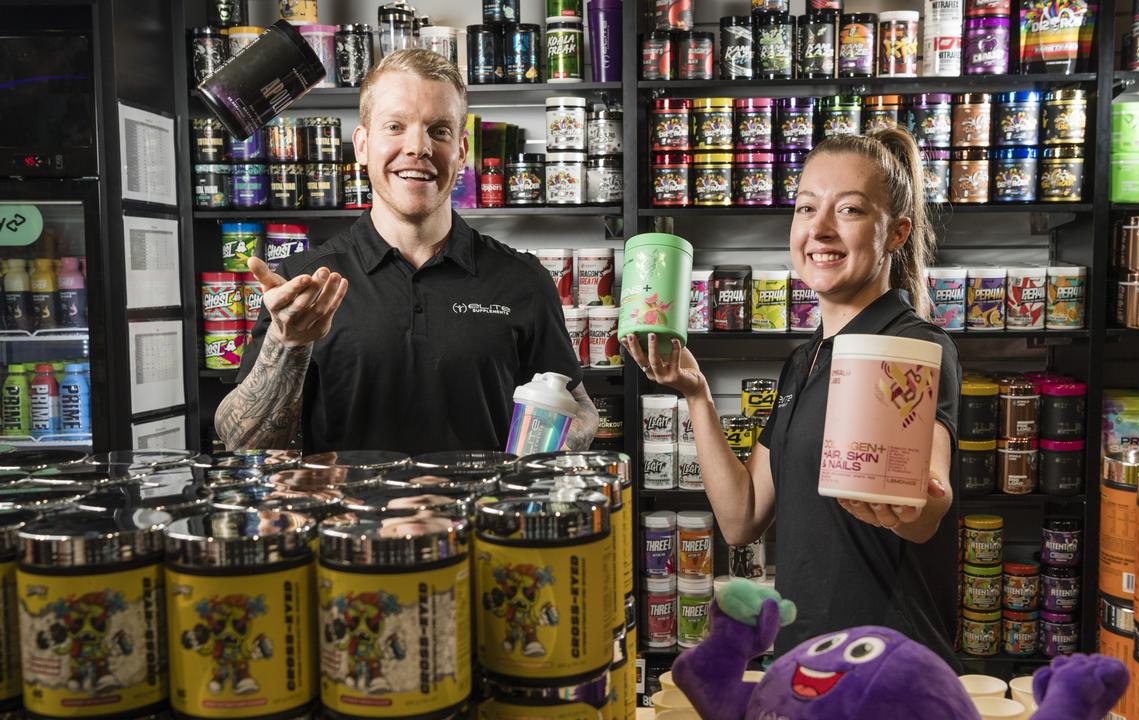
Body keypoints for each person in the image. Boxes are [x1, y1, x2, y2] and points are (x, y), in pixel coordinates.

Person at [624, 129, 962, 666]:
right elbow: (743, 517)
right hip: (802, 658)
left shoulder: (912, 347)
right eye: (807, 207)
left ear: (895, 233)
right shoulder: (803, 362)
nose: (819, 229)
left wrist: (921, 502)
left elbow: (925, 508)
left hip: (883, 665)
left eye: (848, 210)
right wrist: (697, 394)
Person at [216, 49, 597, 454]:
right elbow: (242, 441)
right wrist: (285, 343)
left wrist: (544, 455)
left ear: (462, 151)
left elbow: (582, 410)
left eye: (439, 130)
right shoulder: (303, 284)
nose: (418, 147)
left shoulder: (522, 279)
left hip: (480, 517)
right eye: (395, 126)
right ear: (362, 145)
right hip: (352, 517)